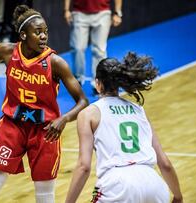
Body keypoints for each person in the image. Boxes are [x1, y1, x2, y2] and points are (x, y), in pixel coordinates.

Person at [0, 5, 88, 203]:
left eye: (45, 31)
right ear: (23, 35)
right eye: (38, 32)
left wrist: (64, 119)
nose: (44, 36)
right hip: (12, 125)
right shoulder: (7, 52)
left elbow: (83, 101)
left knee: (45, 195)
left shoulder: (56, 63)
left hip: (45, 131)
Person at [65, 52, 183, 203]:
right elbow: (164, 163)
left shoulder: (88, 114)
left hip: (117, 184)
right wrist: (178, 196)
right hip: (153, 183)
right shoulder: (139, 110)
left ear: (97, 83)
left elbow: (84, 166)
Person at [64, 0, 123, 92]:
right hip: (79, 12)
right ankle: (77, 80)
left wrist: (118, 13)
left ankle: (98, 83)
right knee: (77, 48)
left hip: (103, 13)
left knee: (99, 50)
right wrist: (66, 10)